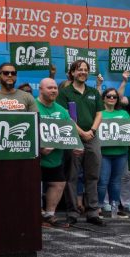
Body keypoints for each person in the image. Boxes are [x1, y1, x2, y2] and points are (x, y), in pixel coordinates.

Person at [56, 60, 104, 226]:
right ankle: (72, 213)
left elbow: (99, 114)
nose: (83, 72)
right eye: (79, 70)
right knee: (72, 176)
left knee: (93, 176)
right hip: (73, 136)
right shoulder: (64, 92)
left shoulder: (93, 92)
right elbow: (65, 116)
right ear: (72, 73)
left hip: (92, 137)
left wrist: (92, 131)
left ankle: (93, 212)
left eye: (85, 70)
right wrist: (81, 133)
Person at [37, 78, 80, 227]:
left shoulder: (62, 111)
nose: (54, 90)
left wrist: (76, 146)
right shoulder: (32, 107)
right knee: (34, 185)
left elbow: (70, 132)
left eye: (55, 88)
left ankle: (49, 215)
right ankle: (35, 215)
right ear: (40, 90)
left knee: (58, 183)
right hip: (35, 157)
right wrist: (40, 148)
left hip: (55, 157)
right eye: (50, 88)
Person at [96, 87, 130, 218]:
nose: (111, 98)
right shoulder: (99, 113)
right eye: (109, 96)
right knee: (103, 181)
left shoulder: (124, 113)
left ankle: (115, 208)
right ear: (103, 98)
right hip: (104, 152)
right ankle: (98, 208)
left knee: (116, 181)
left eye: (114, 97)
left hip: (121, 152)